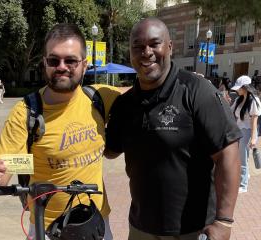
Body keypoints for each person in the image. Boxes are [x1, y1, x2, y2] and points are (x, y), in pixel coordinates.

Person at [104, 17, 242, 240]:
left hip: (192, 230)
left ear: (169, 47)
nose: (146, 52)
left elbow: (228, 153)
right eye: (137, 46)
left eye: (154, 44)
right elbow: (110, 151)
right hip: (141, 228)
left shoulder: (197, 91)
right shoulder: (125, 104)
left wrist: (224, 221)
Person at [0, 23, 120, 240]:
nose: (62, 66)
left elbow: (144, 99)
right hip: (47, 229)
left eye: (71, 60)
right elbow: (12, 167)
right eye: (54, 60)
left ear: (85, 64)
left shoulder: (101, 98)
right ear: (44, 63)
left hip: (96, 223)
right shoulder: (26, 112)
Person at [230, 75, 261, 193]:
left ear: (245, 87)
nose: (237, 90)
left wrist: (253, 139)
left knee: (242, 159)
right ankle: (245, 176)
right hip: (239, 130)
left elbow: (254, 123)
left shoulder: (254, 100)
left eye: (239, 88)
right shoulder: (239, 99)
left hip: (248, 131)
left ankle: (243, 185)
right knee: (243, 157)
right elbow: (230, 112)